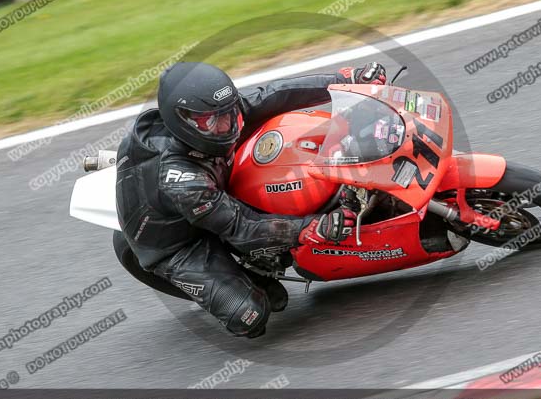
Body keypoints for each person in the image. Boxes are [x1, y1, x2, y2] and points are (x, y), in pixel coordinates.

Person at [114, 61, 387, 338]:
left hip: (213, 195)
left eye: (228, 113)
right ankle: (245, 277)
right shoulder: (181, 179)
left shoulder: (218, 119)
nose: (226, 125)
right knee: (251, 313)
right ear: (181, 120)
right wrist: (310, 227)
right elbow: (241, 227)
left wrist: (345, 80)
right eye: (211, 120)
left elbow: (272, 95)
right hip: (178, 245)